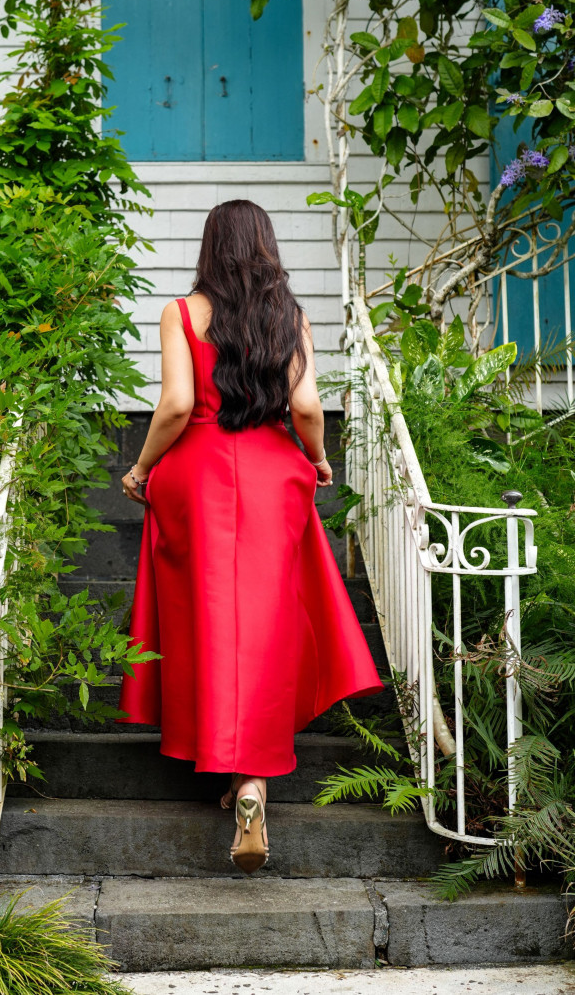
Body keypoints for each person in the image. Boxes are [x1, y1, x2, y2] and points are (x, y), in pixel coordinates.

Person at [116, 200, 384, 875]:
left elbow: (177, 404)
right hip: (271, 472)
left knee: (207, 619)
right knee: (265, 621)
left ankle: (227, 766)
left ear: (210, 248)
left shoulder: (181, 312)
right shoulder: (289, 316)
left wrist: (143, 467)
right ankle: (254, 782)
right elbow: (305, 407)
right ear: (267, 245)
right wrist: (318, 459)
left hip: (195, 475)